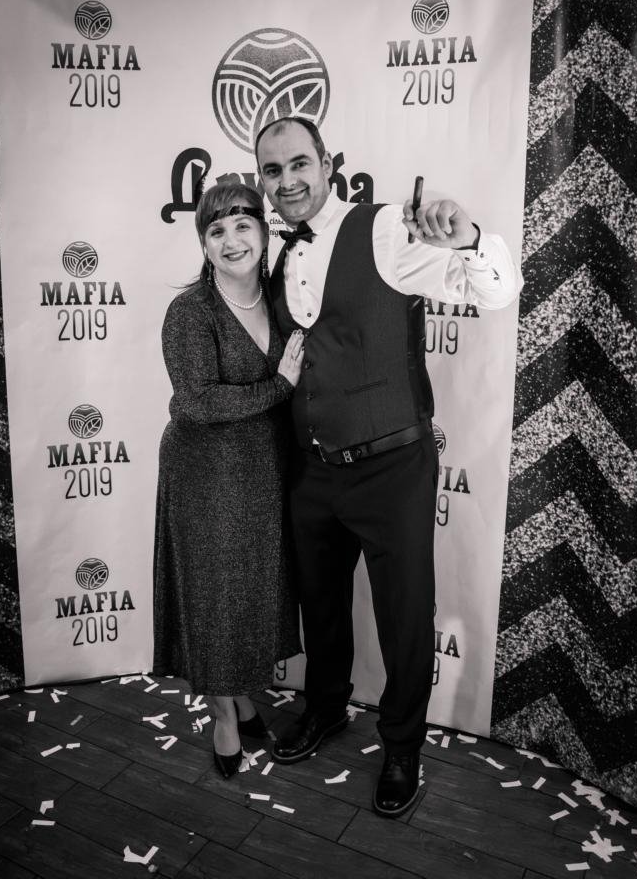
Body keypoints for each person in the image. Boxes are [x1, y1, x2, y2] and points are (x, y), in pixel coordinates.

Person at [254, 115, 523, 817]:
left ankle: (402, 745)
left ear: (327, 164)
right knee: (321, 604)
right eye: (273, 170)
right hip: (312, 468)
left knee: (405, 617)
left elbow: (494, 291)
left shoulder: (382, 230)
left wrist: (469, 238)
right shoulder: (274, 252)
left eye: (299, 164)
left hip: (392, 466)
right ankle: (325, 706)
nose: (288, 181)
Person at [152, 182, 304, 779]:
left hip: (264, 472)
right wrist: (280, 386)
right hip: (205, 475)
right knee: (215, 597)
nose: (231, 239)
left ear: (264, 232)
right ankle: (222, 715)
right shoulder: (191, 311)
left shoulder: (281, 297)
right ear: (204, 244)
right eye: (216, 230)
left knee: (251, 592)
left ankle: (240, 694)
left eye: (243, 225)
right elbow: (197, 402)